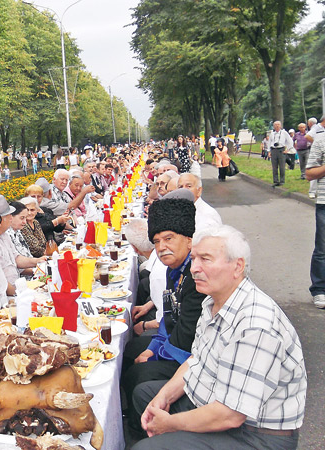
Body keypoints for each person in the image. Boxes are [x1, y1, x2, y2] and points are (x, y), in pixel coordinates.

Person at [132, 226, 306, 450]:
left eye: (206, 259)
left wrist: (171, 424)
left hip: (255, 434)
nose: (195, 268)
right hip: (214, 400)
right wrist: (163, 397)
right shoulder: (213, 300)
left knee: (146, 448)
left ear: (238, 266)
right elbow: (196, 359)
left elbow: (230, 415)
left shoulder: (255, 325)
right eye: (194, 258)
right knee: (145, 395)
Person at [121, 197, 205, 433]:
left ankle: (142, 432)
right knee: (131, 351)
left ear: (189, 239)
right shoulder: (173, 270)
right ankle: (132, 417)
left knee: (139, 374)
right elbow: (169, 317)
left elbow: (186, 335)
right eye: (156, 241)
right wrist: (152, 348)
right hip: (176, 342)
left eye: (169, 239)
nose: (161, 247)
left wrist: (155, 354)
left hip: (191, 356)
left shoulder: (196, 275)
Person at [0, 194, 46, 287]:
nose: (11, 218)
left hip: (18, 285)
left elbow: (16, 258)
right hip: (8, 293)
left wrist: (37, 261)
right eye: (9, 215)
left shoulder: (4, 235)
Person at [306, 131, 325, 308]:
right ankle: (319, 289)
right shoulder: (321, 140)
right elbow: (310, 173)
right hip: (324, 203)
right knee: (322, 248)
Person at [267, 121, 294, 186]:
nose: (277, 126)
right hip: (273, 150)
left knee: (282, 166)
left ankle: (282, 181)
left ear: (280, 125)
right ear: (273, 126)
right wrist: (269, 151)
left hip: (281, 149)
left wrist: (288, 149)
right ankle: (275, 181)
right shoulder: (272, 134)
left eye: (278, 124)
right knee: (274, 166)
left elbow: (290, 141)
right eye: (275, 125)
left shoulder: (284, 133)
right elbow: (269, 142)